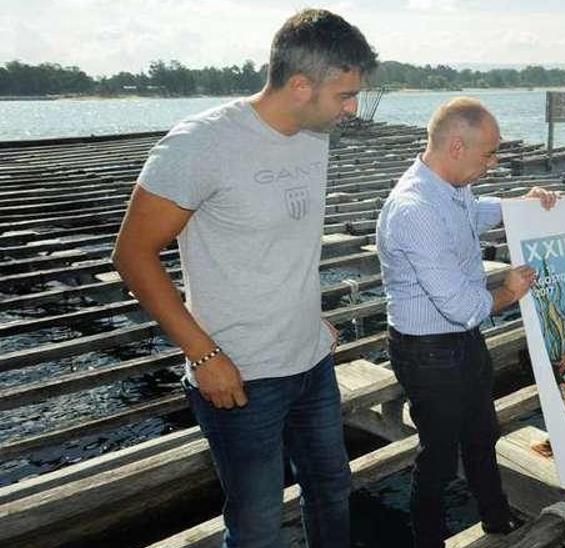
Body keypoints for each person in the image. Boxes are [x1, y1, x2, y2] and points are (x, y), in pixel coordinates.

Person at [111, 9, 376, 547]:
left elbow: (279, 243)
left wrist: (308, 317)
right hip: (239, 377)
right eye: (345, 95)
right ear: (300, 85)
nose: (352, 109)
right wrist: (204, 357)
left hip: (311, 360)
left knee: (331, 488)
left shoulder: (313, 133)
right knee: (256, 525)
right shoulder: (200, 145)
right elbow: (133, 255)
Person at [376, 97, 558, 547]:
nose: (493, 163)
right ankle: (429, 539)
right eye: (488, 154)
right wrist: (510, 291)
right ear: (457, 146)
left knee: (482, 435)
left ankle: (497, 520)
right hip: (429, 351)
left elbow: (472, 212)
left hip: (460, 342)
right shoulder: (414, 209)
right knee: (437, 457)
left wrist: (522, 205)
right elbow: (462, 304)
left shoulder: (449, 186)